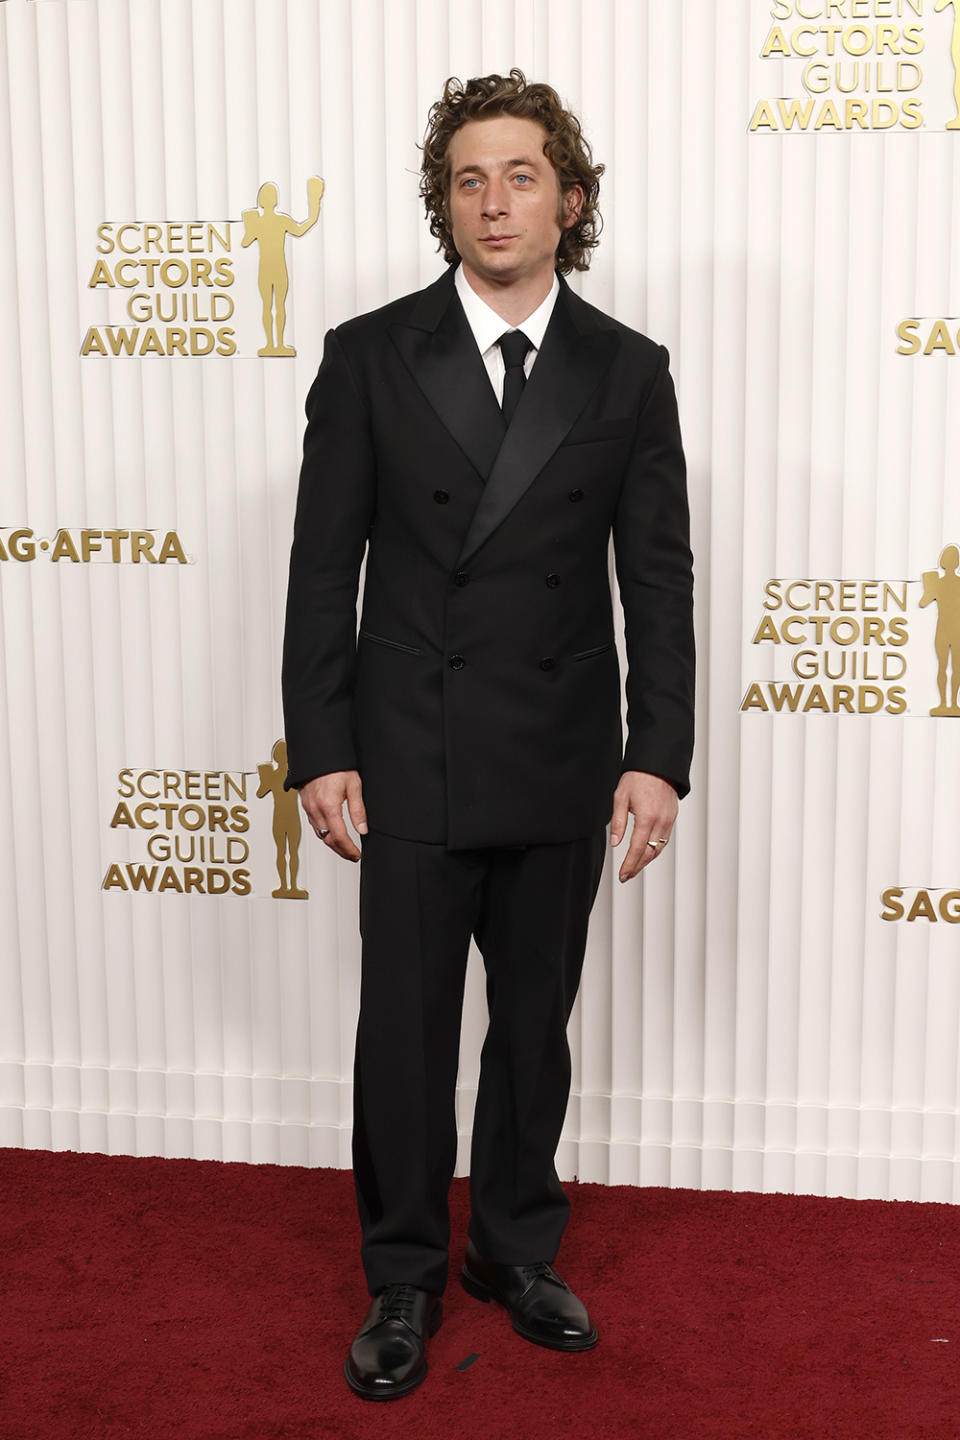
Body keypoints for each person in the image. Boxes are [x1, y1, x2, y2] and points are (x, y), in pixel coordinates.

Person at [281, 69, 695, 1401]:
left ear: (570, 199)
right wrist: (320, 740)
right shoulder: (368, 355)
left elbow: (658, 579)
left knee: (534, 1025)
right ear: (442, 202)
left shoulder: (628, 371)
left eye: (521, 175)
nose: (494, 200)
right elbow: (320, 571)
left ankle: (512, 1249)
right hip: (408, 747)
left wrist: (657, 751)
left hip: (563, 747)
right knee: (403, 1029)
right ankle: (402, 1270)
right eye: (468, 177)